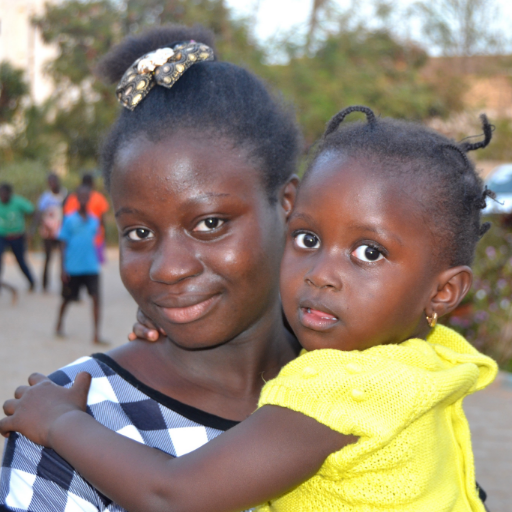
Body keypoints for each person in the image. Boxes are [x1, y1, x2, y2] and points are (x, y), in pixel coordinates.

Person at [0, 103, 497, 511]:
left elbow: (172, 495)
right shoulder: (435, 360)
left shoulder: (333, 387)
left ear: (444, 292)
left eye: (369, 253)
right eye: (308, 238)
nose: (321, 273)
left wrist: (62, 422)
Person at [0, 24, 302, 512]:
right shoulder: (73, 418)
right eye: (139, 233)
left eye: (208, 223)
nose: (168, 268)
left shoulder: (361, 379)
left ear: (287, 203)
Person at [56, 185, 104, 344]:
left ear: (89, 199)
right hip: (73, 268)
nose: (84, 200)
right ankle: (59, 325)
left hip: (91, 267)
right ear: (77, 199)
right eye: (81, 197)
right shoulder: (69, 219)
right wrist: (62, 268)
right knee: (67, 299)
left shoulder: (94, 221)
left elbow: (94, 242)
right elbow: (62, 245)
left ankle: (96, 334)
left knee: (96, 299)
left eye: (86, 197)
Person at [64, 173, 110, 264]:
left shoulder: (73, 198)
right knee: (94, 265)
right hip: (96, 238)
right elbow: (102, 220)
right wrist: (104, 236)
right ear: (92, 183)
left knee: (77, 263)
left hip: (76, 239)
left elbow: (67, 219)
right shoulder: (99, 198)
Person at [34, 172, 67, 292]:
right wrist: (34, 228)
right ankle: (44, 285)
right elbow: (39, 213)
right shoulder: (46, 197)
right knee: (48, 258)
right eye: (50, 183)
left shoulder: (65, 194)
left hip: (62, 231)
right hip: (48, 231)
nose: (52, 184)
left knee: (64, 259)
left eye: (54, 182)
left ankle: (65, 286)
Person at [0, 183, 36, 292]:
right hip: (2, 236)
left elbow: (34, 212)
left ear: (10, 194)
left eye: (5, 194)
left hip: (17, 236)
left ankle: (31, 281)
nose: (3, 196)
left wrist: (32, 229)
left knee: (21, 261)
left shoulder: (18, 202)